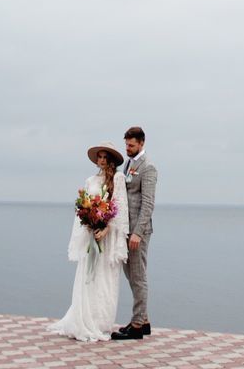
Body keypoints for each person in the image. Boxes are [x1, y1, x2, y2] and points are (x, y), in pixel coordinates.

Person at [46, 144, 130, 342]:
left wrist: (107, 228)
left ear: (111, 160)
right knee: (88, 277)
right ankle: (83, 318)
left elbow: (120, 206)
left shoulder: (117, 178)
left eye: (105, 157)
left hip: (107, 237)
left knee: (105, 278)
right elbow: (84, 207)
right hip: (92, 235)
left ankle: (101, 322)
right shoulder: (90, 180)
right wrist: (90, 224)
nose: (101, 160)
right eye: (99, 157)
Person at [111, 125, 157, 340]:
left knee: (138, 277)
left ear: (141, 143)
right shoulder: (129, 163)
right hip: (127, 228)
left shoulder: (148, 167)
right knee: (131, 275)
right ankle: (144, 320)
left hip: (139, 231)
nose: (127, 148)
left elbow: (148, 203)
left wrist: (138, 232)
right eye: (126, 145)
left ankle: (137, 325)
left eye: (131, 145)